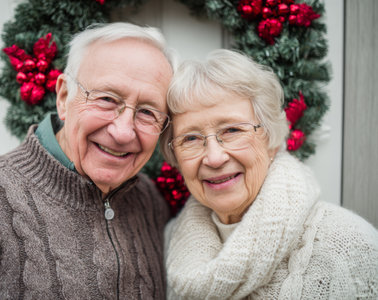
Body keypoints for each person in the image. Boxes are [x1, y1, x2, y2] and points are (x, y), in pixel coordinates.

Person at [0, 22, 177, 299]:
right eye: (106, 99)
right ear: (63, 96)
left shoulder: (149, 201)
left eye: (147, 112)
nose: (123, 132)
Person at [160, 49, 378, 299]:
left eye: (232, 130)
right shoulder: (170, 243)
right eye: (190, 138)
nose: (214, 157)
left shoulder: (350, 245)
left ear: (271, 141)